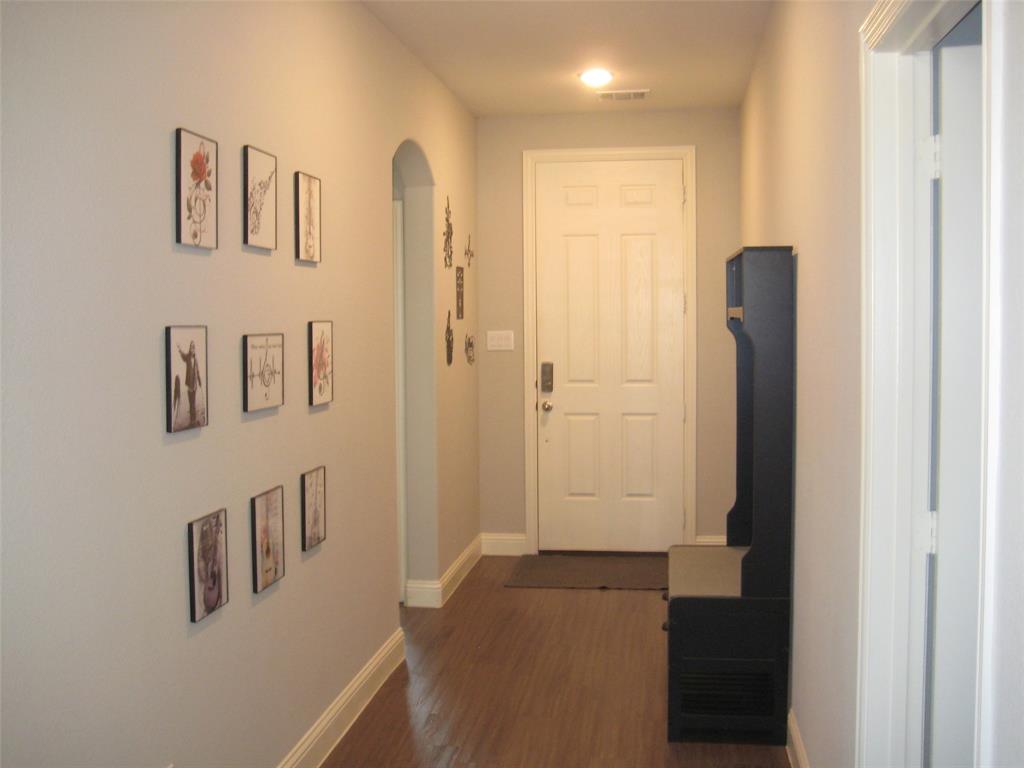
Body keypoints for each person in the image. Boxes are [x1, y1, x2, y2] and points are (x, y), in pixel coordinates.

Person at [177, 340, 203, 427]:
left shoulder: (195, 359)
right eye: (191, 347)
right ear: (190, 348)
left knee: (193, 403)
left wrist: (199, 381)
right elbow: (183, 356)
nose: (193, 349)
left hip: (194, 384)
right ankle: (192, 420)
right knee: (191, 402)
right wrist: (179, 349)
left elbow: (198, 371)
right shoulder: (188, 357)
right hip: (189, 385)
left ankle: (193, 420)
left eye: (194, 347)